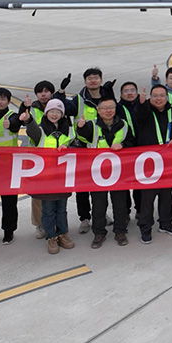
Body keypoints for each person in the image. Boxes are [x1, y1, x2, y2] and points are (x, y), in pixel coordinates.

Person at [58, 67, 114, 234]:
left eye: (96, 77)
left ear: (101, 80)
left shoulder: (107, 98)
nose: (93, 80)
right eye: (89, 78)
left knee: (102, 185)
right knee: (82, 187)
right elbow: (61, 107)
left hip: (103, 148)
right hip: (83, 148)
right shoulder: (79, 100)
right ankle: (84, 218)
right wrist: (61, 90)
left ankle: (102, 215)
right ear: (85, 82)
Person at [74, 96, 135, 248]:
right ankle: (99, 233)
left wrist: (123, 145)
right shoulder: (91, 126)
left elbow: (132, 142)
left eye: (111, 107)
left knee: (120, 203)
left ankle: (120, 231)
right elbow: (82, 138)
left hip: (118, 172)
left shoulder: (123, 125)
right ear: (98, 111)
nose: (108, 111)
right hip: (97, 173)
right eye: (104, 108)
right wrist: (80, 127)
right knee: (98, 205)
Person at [24, 99, 76, 254]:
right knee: (48, 210)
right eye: (52, 111)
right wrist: (27, 120)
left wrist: (69, 147)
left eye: (58, 112)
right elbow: (32, 130)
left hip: (62, 177)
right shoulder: (40, 130)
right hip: (45, 178)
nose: (55, 114)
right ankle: (51, 236)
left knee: (62, 208)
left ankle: (62, 233)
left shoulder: (69, 130)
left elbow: (76, 144)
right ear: (46, 113)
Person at [132, 84, 172, 243]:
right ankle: (145, 228)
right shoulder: (145, 111)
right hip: (148, 162)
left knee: (166, 195)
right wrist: (141, 104)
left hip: (167, 161)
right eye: (155, 96)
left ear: (167, 97)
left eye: (162, 95)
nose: (159, 99)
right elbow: (138, 117)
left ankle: (166, 223)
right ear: (150, 97)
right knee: (147, 197)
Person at [0, 86, 27, 245]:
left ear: (8, 101)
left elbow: (16, 124)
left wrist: (12, 125)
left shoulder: (12, 116)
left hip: (8, 165)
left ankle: (9, 230)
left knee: (9, 201)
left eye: (3, 99)